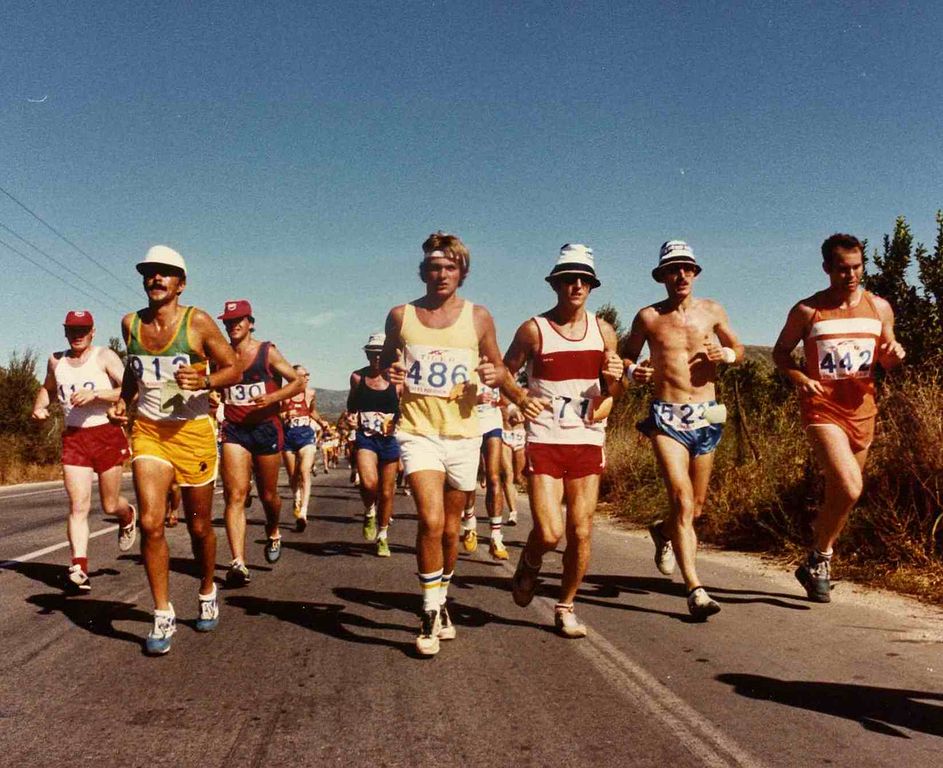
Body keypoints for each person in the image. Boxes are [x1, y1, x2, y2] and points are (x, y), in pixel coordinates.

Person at [380, 231, 513, 656]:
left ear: (462, 273)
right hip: (418, 432)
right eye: (434, 267)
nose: (441, 274)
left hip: (464, 434)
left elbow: (498, 364)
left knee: (452, 532)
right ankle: (428, 610)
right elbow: (386, 360)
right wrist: (394, 369)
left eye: (450, 267)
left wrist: (506, 385)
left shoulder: (479, 318)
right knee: (431, 522)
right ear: (423, 271)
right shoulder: (401, 316)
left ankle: (442, 602)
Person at [109, 245, 240, 655]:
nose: (156, 279)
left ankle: (205, 589)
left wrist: (205, 381)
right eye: (150, 273)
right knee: (151, 521)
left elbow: (232, 367)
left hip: (193, 432)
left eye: (165, 273)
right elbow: (135, 370)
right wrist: (124, 399)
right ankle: (162, 612)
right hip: (149, 430)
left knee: (199, 526)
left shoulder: (197, 322)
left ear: (180, 284)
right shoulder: (131, 323)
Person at [773, 233, 904, 602]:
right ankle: (824, 557)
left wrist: (894, 353)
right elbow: (781, 353)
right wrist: (800, 378)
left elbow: (887, 356)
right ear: (827, 269)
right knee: (850, 486)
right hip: (822, 410)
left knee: (840, 495)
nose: (851, 275)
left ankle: (817, 559)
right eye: (842, 269)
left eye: (857, 267)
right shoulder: (807, 311)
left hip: (863, 411)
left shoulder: (879, 308)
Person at [504, 244, 625, 637]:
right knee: (550, 531)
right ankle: (531, 562)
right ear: (555, 284)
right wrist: (522, 399)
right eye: (568, 279)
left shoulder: (604, 331)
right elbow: (506, 374)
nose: (576, 285)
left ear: (591, 286)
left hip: (587, 438)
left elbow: (613, 390)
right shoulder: (533, 329)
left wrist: (616, 378)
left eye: (583, 280)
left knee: (582, 530)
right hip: (545, 438)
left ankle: (565, 605)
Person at [622, 240, 743, 620]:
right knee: (681, 495)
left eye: (687, 268)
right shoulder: (648, 317)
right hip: (666, 414)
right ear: (662, 276)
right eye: (673, 269)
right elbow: (627, 355)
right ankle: (695, 588)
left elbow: (737, 348)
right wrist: (633, 371)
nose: (681, 275)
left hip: (707, 413)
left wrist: (725, 355)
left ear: (695, 273)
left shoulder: (712, 310)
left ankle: (663, 530)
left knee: (696, 507)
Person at [31, 310, 136, 593]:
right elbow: (48, 389)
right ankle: (79, 567)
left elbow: (130, 389)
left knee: (110, 504)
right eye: (72, 330)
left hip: (106, 434)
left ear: (93, 332)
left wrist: (97, 395)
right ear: (65, 332)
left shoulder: (104, 356)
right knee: (78, 505)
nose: (77, 335)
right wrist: (40, 406)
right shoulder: (56, 360)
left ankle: (127, 517)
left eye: (83, 330)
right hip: (75, 437)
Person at [217, 299, 304, 586]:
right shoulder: (221, 354)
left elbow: (297, 382)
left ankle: (274, 529)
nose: (234, 326)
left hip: (266, 428)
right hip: (235, 430)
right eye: (229, 322)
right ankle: (238, 562)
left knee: (269, 496)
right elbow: (213, 382)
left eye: (239, 320)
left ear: (250, 322)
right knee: (236, 495)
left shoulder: (267, 351)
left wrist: (273, 397)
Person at [347, 332, 402, 557]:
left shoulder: (397, 383)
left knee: (387, 492)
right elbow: (351, 406)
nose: (377, 358)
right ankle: (369, 510)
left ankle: (382, 535)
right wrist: (351, 417)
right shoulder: (358, 378)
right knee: (370, 484)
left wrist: (398, 422)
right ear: (368, 355)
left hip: (390, 439)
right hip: (366, 437)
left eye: (381, 354)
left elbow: (407, 409)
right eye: (373, 354)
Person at [460, 385, 509, 559]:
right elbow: (451, 397)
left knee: (494, 476)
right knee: (469, 476)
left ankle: (496, 537)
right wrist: (474, 399)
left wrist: (505, 401)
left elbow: (508, 392)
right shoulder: (465, 363)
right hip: (469, 424)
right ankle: (469, 521)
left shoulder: (496, 366)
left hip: (492, 423)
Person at [281, 365, 328, 532]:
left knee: (304, 471)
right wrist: (285, 415)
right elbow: (278, 414)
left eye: (308, 375)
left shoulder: (310, 394)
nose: (307, 378)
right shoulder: (285, 395)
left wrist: (322, 422)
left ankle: (303, 512)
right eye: (303, 375)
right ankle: (296, 497)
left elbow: (312, 411)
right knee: (293, 476)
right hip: (288, 436)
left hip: (305, 435)